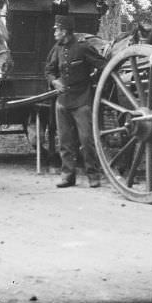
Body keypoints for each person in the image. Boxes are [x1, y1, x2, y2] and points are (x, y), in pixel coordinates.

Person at [45, 14, 106, 188]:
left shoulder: (83, 47)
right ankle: (67, 176)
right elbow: (48, 70)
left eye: (57, 29)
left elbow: (103, 65)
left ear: (64, 31)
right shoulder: (56, 49)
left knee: (86, 140)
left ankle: (93, 176)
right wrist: (54, 81)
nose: (55, 32)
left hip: (82, 101)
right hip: (62, 102)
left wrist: (94, 83)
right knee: (65, 141)